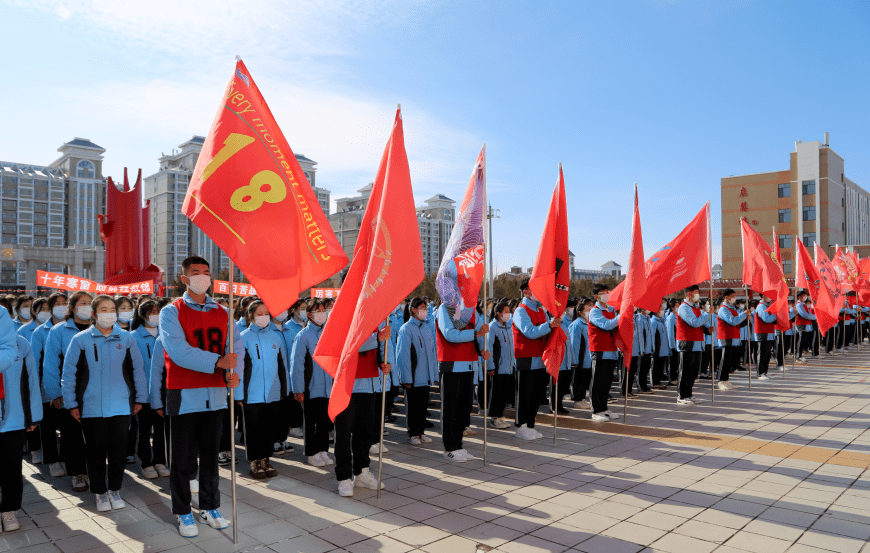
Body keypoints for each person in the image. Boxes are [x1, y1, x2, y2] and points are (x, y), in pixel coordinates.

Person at [158, 256, 241, 538]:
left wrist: (234, 372)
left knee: (210, 457)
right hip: (184, 394)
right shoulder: (171, 312)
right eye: (195, 273)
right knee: (183, 460)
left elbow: (235, 346)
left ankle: (209, 506)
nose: (202, 277)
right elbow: (178, 352)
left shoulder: (222, 311)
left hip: (216, 394)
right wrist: (219, 362)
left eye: (206, 272)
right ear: (184, 279)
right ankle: (182, 511)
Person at [61, 295, 148, 512]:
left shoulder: (126, 339)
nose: (109, 313)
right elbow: (69, 374)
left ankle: (115, 490)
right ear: (94, 314)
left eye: (112, 309)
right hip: (91, 407)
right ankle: (100, 493)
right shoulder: (80, 340)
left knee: (118, 452)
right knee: (95, 452)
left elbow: (137, 370)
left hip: (121, 406)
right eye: (104, 309)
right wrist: (72, 403)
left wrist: (140, 399)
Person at [333, 324, 392, 496]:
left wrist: (384, 364)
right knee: (344, 435)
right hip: (348, 387)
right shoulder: (346, 318)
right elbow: (348, 345)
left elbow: (379, 353)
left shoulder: (374, 322)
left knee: (365, 434)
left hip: (370, 385)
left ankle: (361, 472)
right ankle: (344, 478)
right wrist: (376, 339)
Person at [43, 291, 93, 492]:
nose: (87, 307)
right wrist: (55, 392)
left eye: (90, 303)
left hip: (96, 391)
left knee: (96, 434)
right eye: (82, 303)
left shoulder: (100, 328)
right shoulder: (59, 331)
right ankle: (77, 473)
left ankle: (94, 469)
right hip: (69, 391)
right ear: (72, 307)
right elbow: (51, 364)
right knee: (72, 435)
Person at [238, 300, 289, 479]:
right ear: (251, 315)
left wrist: (284, 390)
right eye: (259, 313)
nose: (264, 316)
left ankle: (266, 459)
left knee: (269, 428)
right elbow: (239, 368)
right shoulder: (243, 337)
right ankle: (255, 461)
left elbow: (282, 366)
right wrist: (239, 394)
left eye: (266, 312)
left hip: (273, 393)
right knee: (253, 429)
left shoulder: (276, 337)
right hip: (252, 394)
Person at [0, 326, 41, 532]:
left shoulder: (21, 343)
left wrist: (33, 416)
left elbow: (31, 381)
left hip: (13, 419)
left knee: (12, 467)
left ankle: (9, 510)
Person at [436, 296, 487, 461]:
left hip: (469, 364)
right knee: (450, 409)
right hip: (452, 363)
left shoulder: (471, 310)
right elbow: (450, 334)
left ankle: (458, 445)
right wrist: (475, 333)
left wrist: (482, 349)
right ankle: (449, 448)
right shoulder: (445, 308)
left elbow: (481, 331)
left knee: (464, 409)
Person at [289, 299, 333, 467]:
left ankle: (323, 450)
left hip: (327, 387)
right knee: (310, 421)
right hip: (310, 388)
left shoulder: (328, 333)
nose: (322, 314)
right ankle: (311, 452)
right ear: (309, 314)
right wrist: (298, 389)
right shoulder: (303, 336)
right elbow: (297, 365)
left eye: (323, 310)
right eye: (318, 310)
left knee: (324, 421)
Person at [512, 279, 557, 439]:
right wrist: (549, 326)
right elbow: (529, 332)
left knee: (536, 395)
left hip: (540, 358)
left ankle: (530, 425)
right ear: (526, 291)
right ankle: (521, 426)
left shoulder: (541, 310)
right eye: (535, 289)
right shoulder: (520, 311)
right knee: (525, 394)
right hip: (525, 358)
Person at [129, 299, 167, 480]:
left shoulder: (166, 334)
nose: (155, 315)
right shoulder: (134, 337)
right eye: (152, 312)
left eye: (158, 311)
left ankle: (160, 460)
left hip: (162, 391)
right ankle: (146, 462)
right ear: (142, 315)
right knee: (144, 430)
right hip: (142, 393)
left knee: (161, 429)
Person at [30, 293, 67, 477]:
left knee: (68, 427)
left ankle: (68, 458)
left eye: (64, 303)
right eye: (57, 304)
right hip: (47, 389)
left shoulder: (73, 328)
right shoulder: (40, 332)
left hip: (69, 387)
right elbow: (35, 363)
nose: (61, 307)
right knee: (49, 427)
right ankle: (53, 461)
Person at [396, 297, 438, 444]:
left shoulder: (426, 328)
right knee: (412, 406)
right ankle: (412, 433)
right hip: (413, 376)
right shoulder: (406, 329)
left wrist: (433, 374)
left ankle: (421, 432)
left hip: (425, 376)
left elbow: (432, 353)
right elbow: (403, 355)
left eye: (425, 308)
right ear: (413, 309)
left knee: (422, 406)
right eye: (421, 307)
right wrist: (406, 377)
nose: (424, 311)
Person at [271, 300, 304, 456]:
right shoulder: (268, 331)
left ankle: (283, 438)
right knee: (274, 412)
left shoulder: (290, 330)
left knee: (286, 412)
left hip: (289, 381)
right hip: (274, 381)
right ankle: (274, 440)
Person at [588, 284, 620, 422]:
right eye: (603, 293)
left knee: (607, 382)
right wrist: (622, 316)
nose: (606, 295)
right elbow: (607, 325)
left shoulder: (611, 310)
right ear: (596, 296)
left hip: (611, 350)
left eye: (608, 292)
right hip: (599, 350)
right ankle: (596, 410)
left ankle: (604, 408)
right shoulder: (595, 311)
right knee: (598, 382)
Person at [675, 285, 711, 405]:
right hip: (687, 343)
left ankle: (689, 394)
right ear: (689, 294)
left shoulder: (696, 308)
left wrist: (708, 329)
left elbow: (699, 324)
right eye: (696, 292)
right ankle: (681, 395)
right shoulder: (684, 308)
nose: (698, 295)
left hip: (697, 343)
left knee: (694, 371)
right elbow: (694, 323)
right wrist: (706, 314)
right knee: (685, 370)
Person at [486, 300, 515, 428]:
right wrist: (490, 366)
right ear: (498, 313)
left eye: (509, 312)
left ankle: (500, 415)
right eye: (506, 312)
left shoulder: (508, 326)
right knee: (496, 393)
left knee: (504, 393)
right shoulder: (492, 327)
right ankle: (494, 417)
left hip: (508, 366)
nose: (508, 314)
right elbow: (489, 348)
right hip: (498, 366)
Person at [549, 298, 576, 414]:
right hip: (557, 360)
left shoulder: (564, 325)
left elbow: (569, 345)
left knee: (563, 386)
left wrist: (573, 360)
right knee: (555, 386)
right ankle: (554, 406)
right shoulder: (552, 325)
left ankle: (559, 404)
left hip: (566, 360)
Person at [717, 289, 746, 390]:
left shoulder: (732, 308)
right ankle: (721, 380)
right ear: (726, 297)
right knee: (724, 359)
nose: (734, 298)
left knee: (729, 360)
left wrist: (746, 318)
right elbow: (732, 321)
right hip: (726, 337)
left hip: (733, 337)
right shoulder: (723, 309)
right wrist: (743, 315)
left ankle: (726, 380)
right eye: (732, 296)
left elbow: (737, 322)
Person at [569, 298, 593, 407]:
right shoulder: (577, 324)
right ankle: (577, 400)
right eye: (587, 310)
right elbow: (574, 344)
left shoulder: (587, 324)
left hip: (587, 358)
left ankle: (582, 398)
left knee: (584, 379)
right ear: (580, 312)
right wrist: (574, 360)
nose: (589, 312)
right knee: (578, 379)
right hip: (580, 358)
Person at [753, 294, 778, 380]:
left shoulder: (767, 306)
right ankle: (760, 373)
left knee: (767, 354)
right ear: (763, 296)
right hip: (762, 333)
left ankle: (764, 372)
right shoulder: (761, 307)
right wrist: (775, 314)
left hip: (769, 333)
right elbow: (766, 319)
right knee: (762, 353)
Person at [649, 304, 670, 390]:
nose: (663, 311)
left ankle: (658, 382)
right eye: (661, 309)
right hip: (658, 349)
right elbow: (652, 336)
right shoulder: (653, 322)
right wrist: (653, 348)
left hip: (664, 349)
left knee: (660, 366)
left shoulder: (662, 321)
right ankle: (654, 382)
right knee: (656, 366)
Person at [794, 291, 815, 361]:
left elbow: (809, 314)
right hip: (801, 324)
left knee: (803, 341)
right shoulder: (799, 305)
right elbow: (805, 315)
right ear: (799, 297)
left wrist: (816, 316)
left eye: (806, 295)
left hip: (805, 324)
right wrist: (816, 317)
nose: (805, 297)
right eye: (804, 295)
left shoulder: (803, 305)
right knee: (801, 341)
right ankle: (798, 356)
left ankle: (799, 355)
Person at [665, 299, 680, 385]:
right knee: (672, 363)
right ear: (672, 308)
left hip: (678, 343)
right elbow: (670, 333)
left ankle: (675, 377)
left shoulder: (677, 317)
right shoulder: (670, 318)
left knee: (676, 362)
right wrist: (672, 346)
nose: (678, 307)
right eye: (676, 306)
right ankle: (672, 378)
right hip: (673, 344)